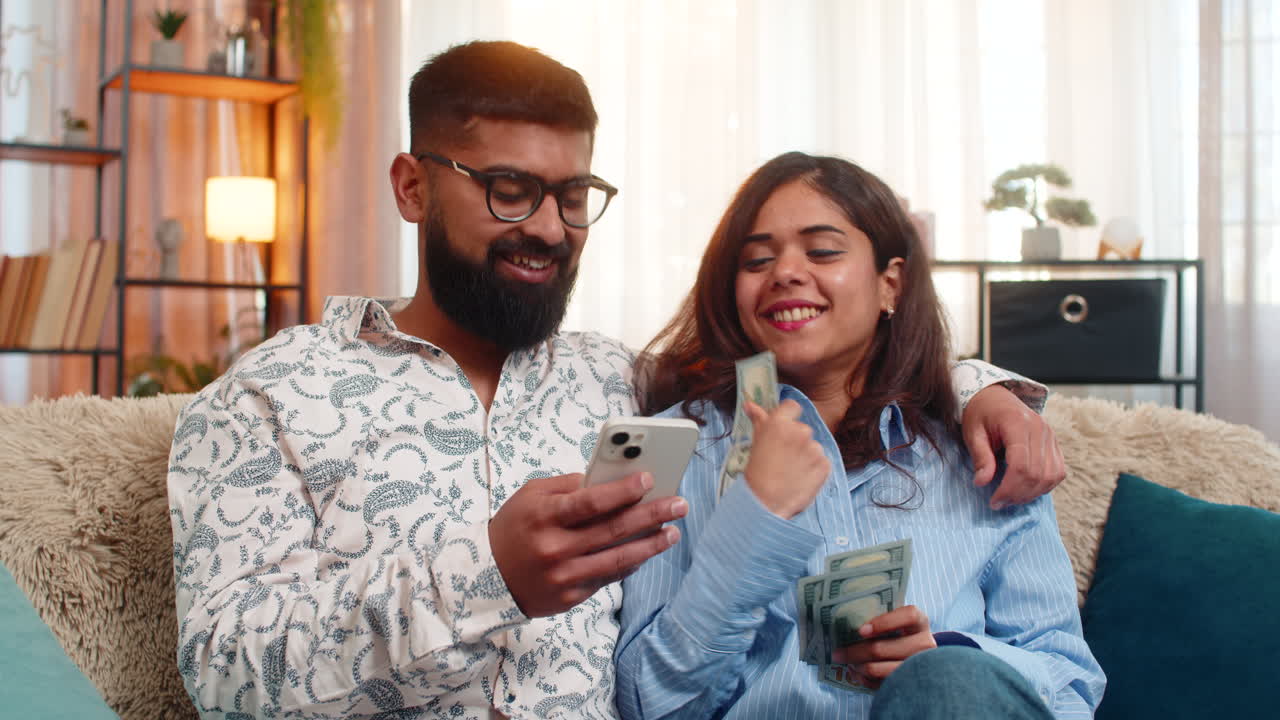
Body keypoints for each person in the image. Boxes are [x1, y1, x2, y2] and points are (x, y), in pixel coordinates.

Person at [167, 41, 1064, 719]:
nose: (550, 229)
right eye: (509, 189)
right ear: (411, 186)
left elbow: (812, 359)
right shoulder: (268, 398)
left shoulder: (621, 384)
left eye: (573, 195)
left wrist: (983, 389)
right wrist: (489, 575)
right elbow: (223, 675)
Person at [615, 152, 1104, 719]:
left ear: (889, 284)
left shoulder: (984, 452)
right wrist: (753, 526)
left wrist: (950, 662)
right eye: (756, 260)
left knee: (945, 682)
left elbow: (1069, 687)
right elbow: (646, 704)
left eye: (822, 250)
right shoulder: (673, 451)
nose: (785, 273)